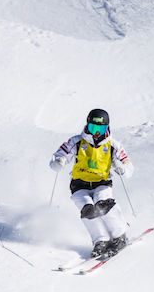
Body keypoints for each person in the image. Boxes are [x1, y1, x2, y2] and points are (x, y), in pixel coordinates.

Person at [49, 108, 135, 258]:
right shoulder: (76, 141)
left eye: (100, 128)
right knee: (88, 209)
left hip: (102, 183)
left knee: (103, 203)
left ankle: (120, 235)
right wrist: (59, 161)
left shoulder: (113, 145)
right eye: (93, 127)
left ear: (107, 127)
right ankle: (100, 240)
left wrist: (123, 168)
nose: (96, 132)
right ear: (87, 125)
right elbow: (60, 154)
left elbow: (128, 165)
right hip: (79, 184)